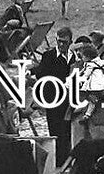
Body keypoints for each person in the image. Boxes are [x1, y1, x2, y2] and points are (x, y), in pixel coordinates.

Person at [32, 26, 74, 164]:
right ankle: (59, 160)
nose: (61, 44)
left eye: (65, 42)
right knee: (55, 129)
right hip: (54, 98)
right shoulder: (48, 56)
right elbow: (42, 75)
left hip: (69, 99)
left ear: (70, 42)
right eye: (59, 41)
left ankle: (67, 156)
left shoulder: (74, 57)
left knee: (67, 129)